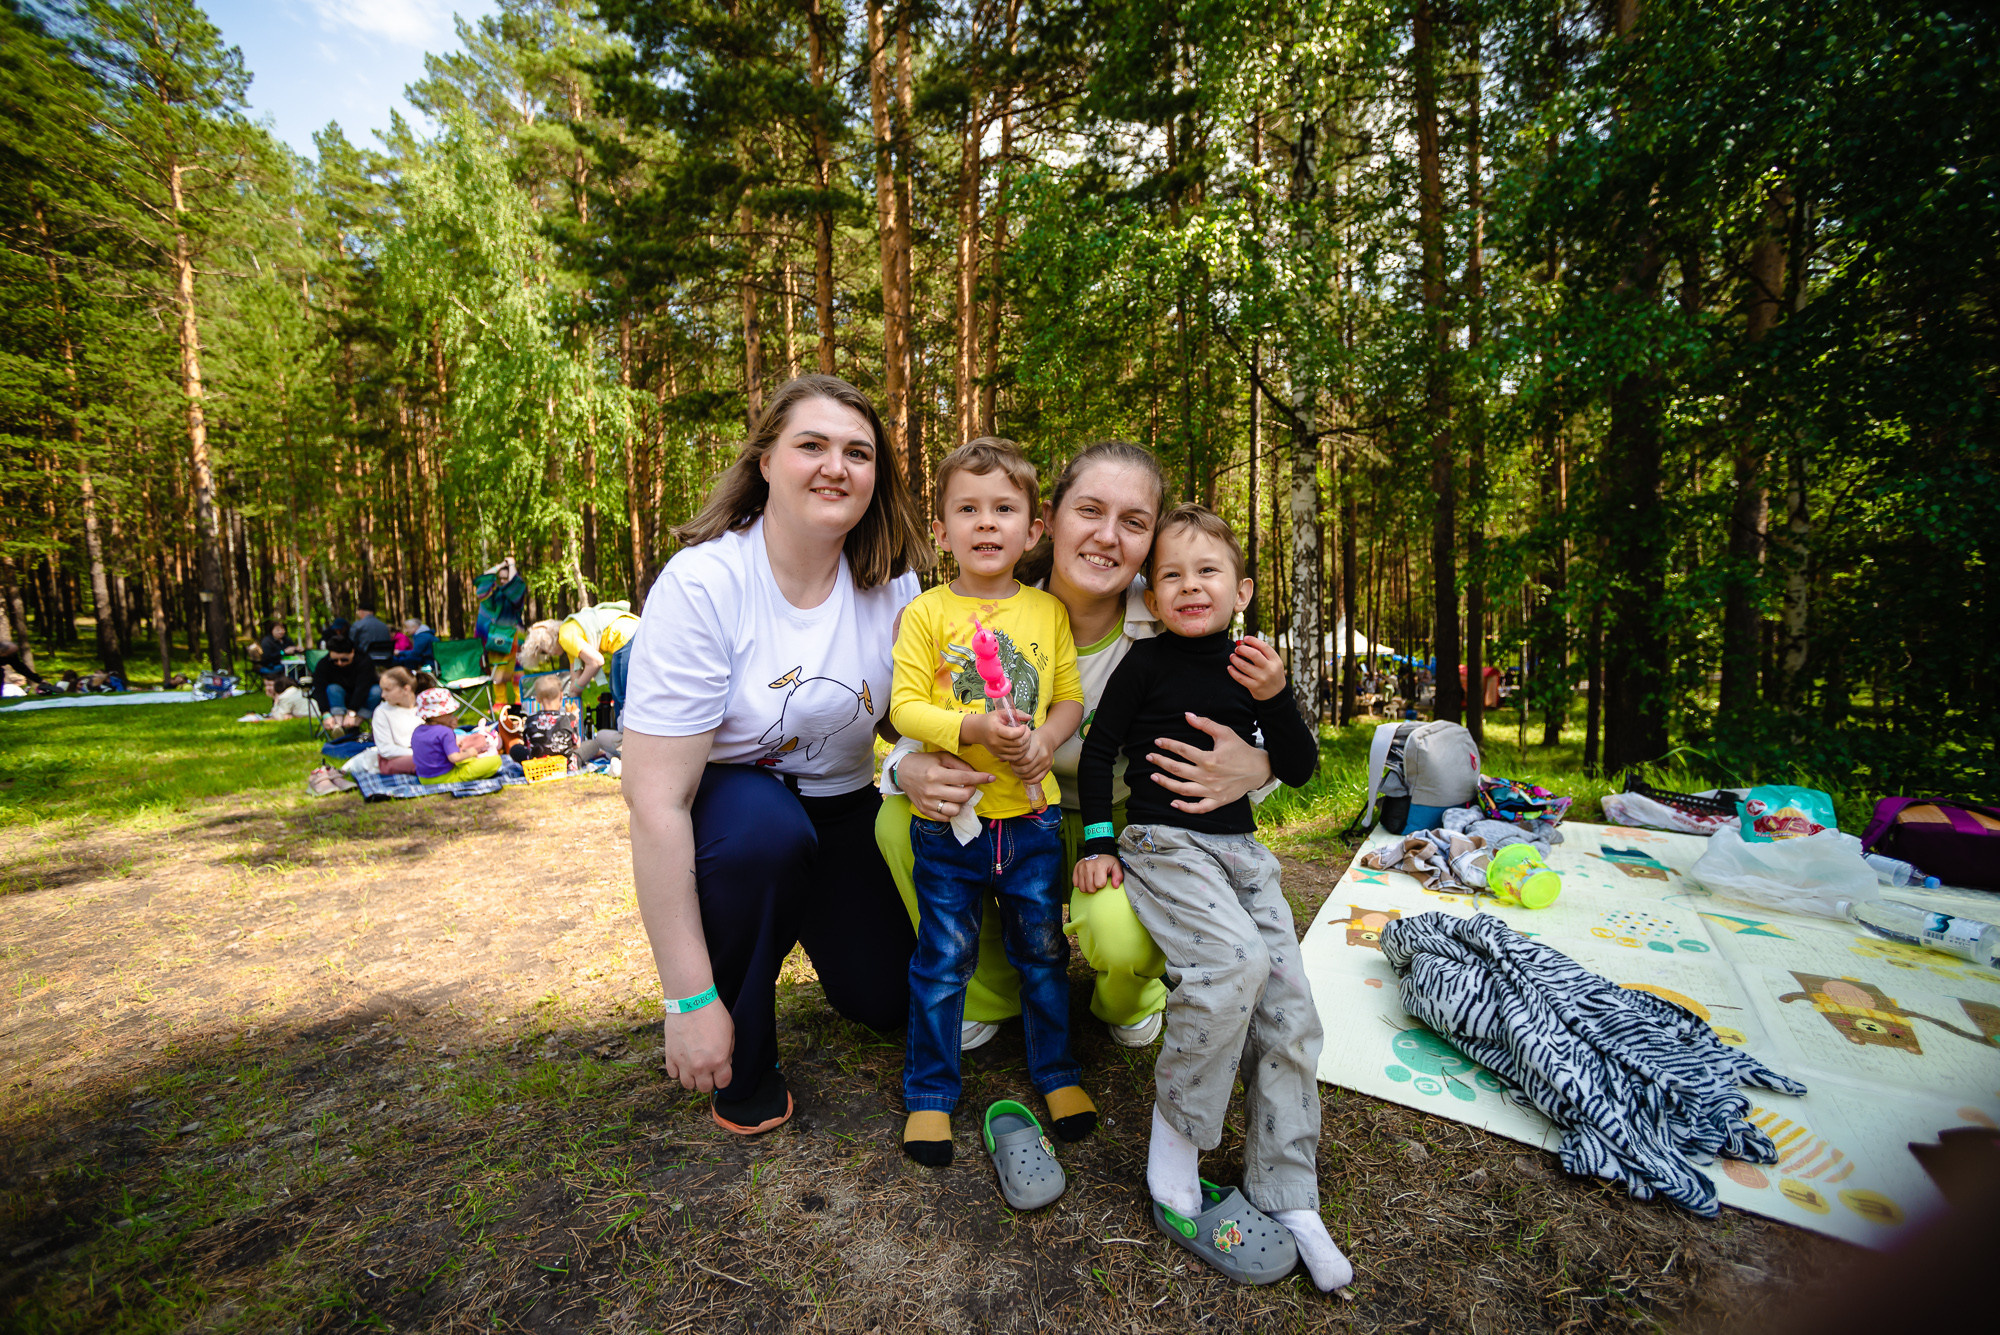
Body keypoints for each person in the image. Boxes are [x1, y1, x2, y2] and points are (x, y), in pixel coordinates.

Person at [878, 441, 1278, 1052]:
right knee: (897, 820)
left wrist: (1259, 765)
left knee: (1117, 933)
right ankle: (992, 990)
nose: (1107, 537)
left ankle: (1128, 993)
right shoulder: (982, 603)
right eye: (1089, 510)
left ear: (1152, 541)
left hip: (1117, 822)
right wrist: (905, 766)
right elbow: (923, 713)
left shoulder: (1174, 612)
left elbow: (1258, 719)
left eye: (1134, 523)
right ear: (1050, 519)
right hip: (1005, 805)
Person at [619, 372, 931, 1137]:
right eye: (811, 445)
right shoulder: (706, 583)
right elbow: (655, 801)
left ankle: (797, 917)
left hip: (842, 803)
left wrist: (924, 754)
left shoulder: (894, 582)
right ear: (765, 461)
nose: (836, 466)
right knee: (767, 836)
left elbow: (901, 722)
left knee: (889, 998)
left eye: (858, 452)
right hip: (735, 806)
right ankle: (743, 1051)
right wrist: (687, 997)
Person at [1073, 505, 1350, 1292]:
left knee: (1291, 1005)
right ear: (1150, 595)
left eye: (1208, 572)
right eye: (1171, 575)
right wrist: (1097, 839)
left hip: (1244, 854)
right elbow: (1097, 753)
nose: (1191, 586)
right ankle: (1175, 1148)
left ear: (1242, 590)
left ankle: (1286, 1188)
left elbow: (1298, 766)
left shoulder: (1253, 666)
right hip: (1164, 845)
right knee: (1232, 963)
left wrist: (1279, 696)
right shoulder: (1144, 663)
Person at [890, 438, 1090, 1167]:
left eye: (1003, 509)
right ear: (941, 531)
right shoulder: (926, 614)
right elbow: (905, 707)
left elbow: (1067, 699)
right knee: (944, 959)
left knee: (1042, 952)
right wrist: (971, 729)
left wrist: (1046, 741)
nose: (985, 523)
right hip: (951, 825)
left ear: (1033, 530)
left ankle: (1058, 1075)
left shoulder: (1047, 612)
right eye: (967, 509)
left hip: (1032, 819)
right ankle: (930, 1093)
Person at [521, 602, 642, 727]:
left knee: (621, 694)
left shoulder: (566, 637)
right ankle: (624, 732)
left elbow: (596, 661)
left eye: (544, 652)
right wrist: (573, 695)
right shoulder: (568, 633)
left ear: (547, 643)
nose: (549, 655)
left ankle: (628, 734)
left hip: (626, 636)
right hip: (631, 631)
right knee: (616, 691)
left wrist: (579, 685)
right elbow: (575, 675)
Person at [411, 688, 503, 784]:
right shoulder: (445, 732)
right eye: (449, 712)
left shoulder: (417, 730)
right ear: (437, 714)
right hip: (445, 777)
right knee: (496, 761)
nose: (452, 715)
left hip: (423, 778)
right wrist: (471, 752)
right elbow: (454, 758)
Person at [474, 558, 528, 707]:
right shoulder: (493, 595)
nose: (503, 581)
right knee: (497, 670)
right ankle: (500, 704)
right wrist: (500, 565)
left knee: (517, 671)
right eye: (501, 578)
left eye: (506, 578)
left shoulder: (516, 596)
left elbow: (515, 585)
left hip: (515, 637)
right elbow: (484, 580)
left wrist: (512, 565)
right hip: (495, 638)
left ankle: (520, 703)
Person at [365, 667, 431, 775]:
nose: (382, 695)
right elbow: (386, 750)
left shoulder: (425, 706)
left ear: (406, 689)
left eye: (387, 690)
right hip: (396, 758)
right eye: (382, 690)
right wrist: (419, 753)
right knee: (426, 762)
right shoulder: (382, 712)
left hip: (426, 752)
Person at [310, 636, 379, 738]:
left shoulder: (364, 661)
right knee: (332, 688)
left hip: (363, 697)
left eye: (344, 659)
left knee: (376, 691)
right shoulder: (324, 664)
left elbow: (362, 688)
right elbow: (319, 689)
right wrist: (325, 713)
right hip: (338, 698)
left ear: (352, 652)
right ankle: (339, 726)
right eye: (335, 660)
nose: (339, 663)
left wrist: (352, 713)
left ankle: (354, 725)